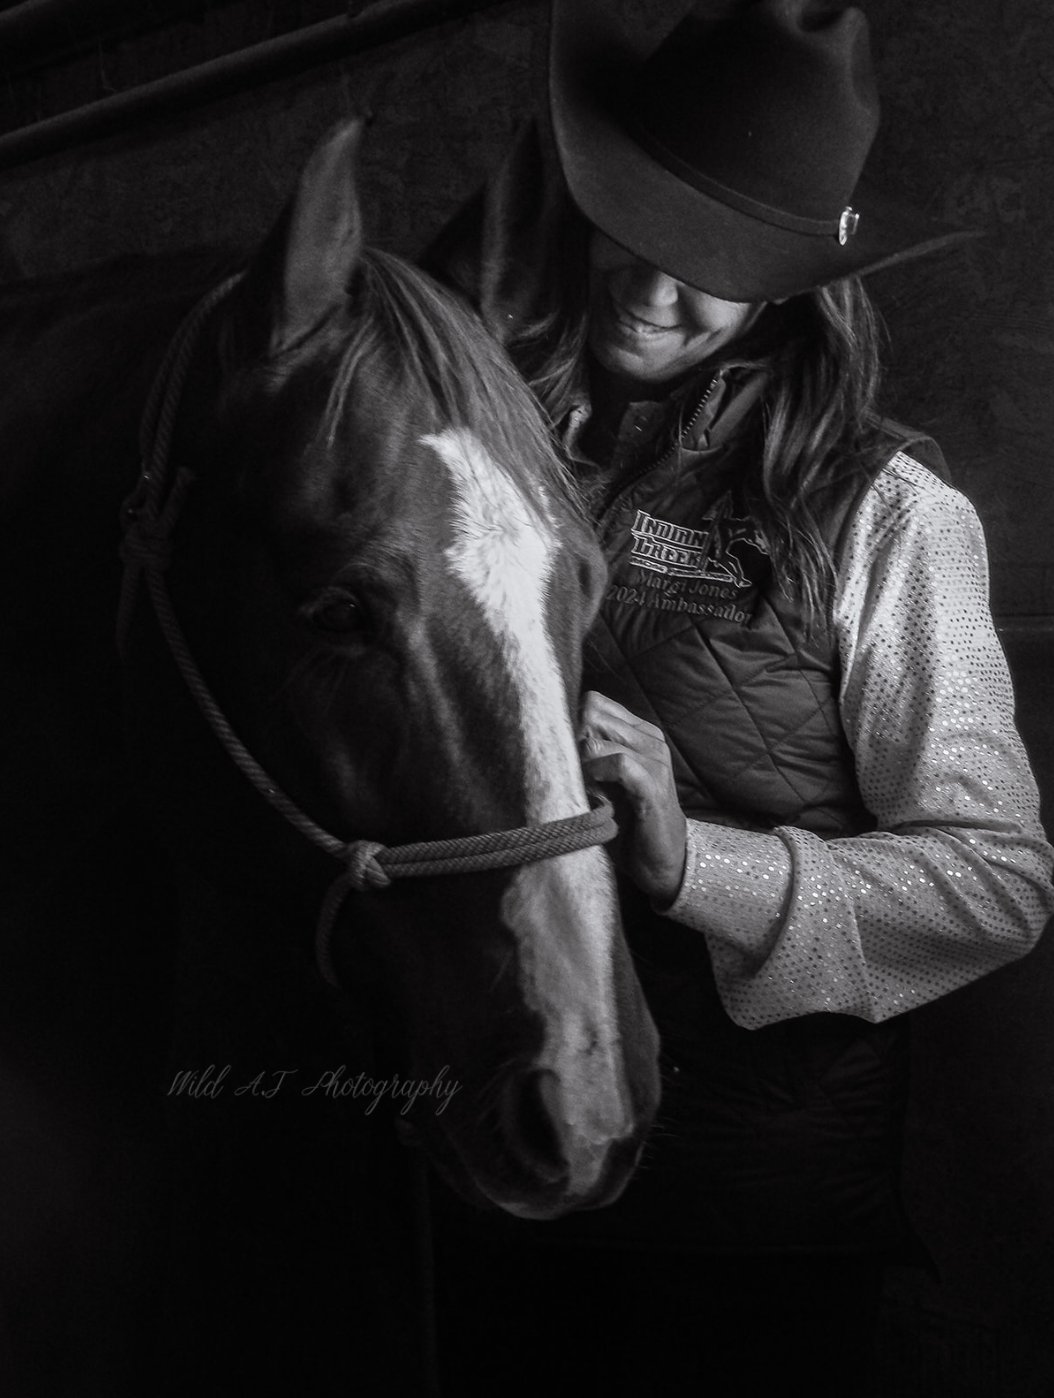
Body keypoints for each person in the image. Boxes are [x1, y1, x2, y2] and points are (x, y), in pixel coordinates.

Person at [422, 2, 1054, 1394]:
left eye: (712, 264)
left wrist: (691, 864)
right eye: (634, 226)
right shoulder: (487, 454)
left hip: (742, 1222)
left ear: (786, 287)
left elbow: (995, 882)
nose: (654, 288)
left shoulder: (890, 513)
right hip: (494, 1159)